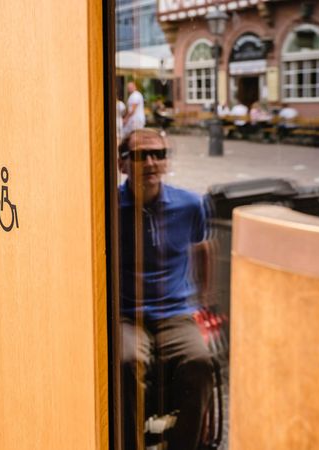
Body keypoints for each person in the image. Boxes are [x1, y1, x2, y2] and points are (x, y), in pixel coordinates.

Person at [118, 128, 214, 450]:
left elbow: (202, 249)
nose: (150, 162)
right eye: (140, 155)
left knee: (200, 360)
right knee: (127, 362)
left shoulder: (190, 205)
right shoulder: (108, 207)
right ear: (122, 164)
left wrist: (202, 299)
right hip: (126, 314)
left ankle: (184, 445)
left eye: (158, 154)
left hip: (175, 313)